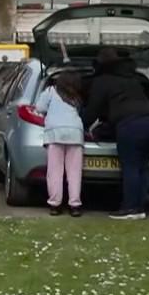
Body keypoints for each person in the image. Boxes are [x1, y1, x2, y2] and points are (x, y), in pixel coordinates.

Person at [81, 47, 149, 220]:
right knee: (142, 166)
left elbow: (92, 111)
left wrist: (80, 125)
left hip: (131, 124)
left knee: (131, 165)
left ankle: (130, 208)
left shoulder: (103, 81)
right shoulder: (133, 78)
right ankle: (140, 208)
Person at [35, 71, 86, 217]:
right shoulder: (77, 96)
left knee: (55, 171)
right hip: (75, 133)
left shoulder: (50, 91)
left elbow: (40, 108)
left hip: (55, 133)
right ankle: (75, 205)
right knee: (74, 172)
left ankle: (55, 204)